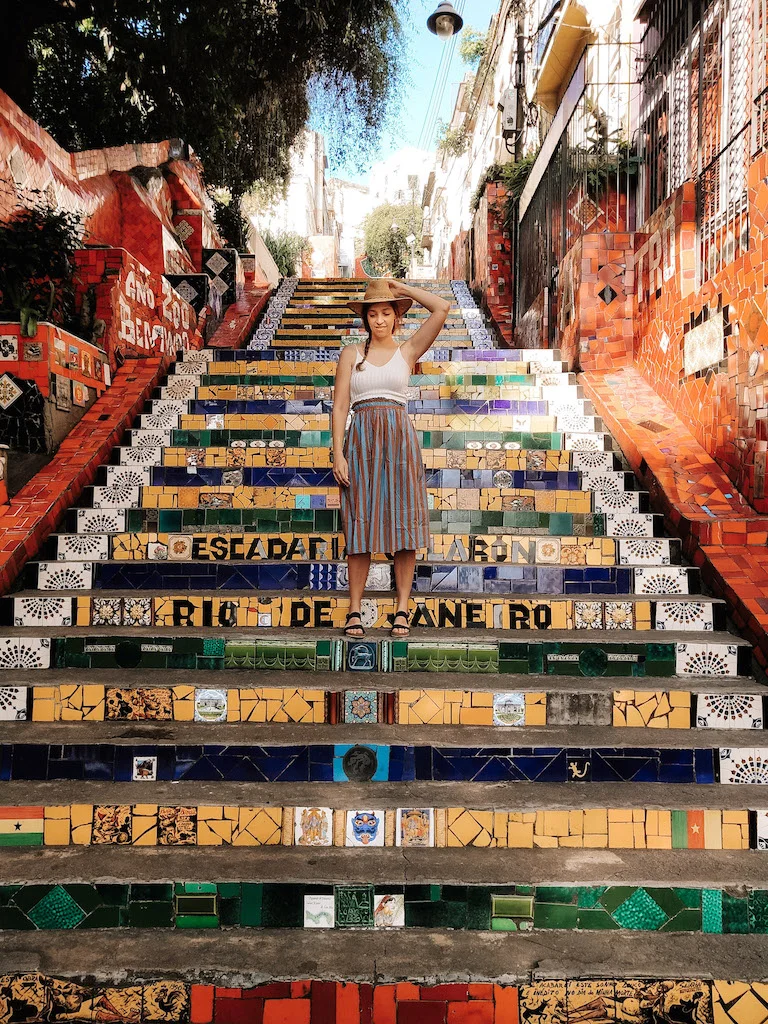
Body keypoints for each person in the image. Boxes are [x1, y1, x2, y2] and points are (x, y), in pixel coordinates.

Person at [332, 278, 450, 638]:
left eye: (386, 312)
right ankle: (354, 610)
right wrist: (337, 453)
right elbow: (339, 407)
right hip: (361, 440)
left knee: (404, 525)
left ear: (396, 317)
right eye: (373, 314)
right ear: (365, 319)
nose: (380, 320)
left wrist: (405, 290)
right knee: (360, 523)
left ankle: (401, 609)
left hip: (400, 442)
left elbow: (442, 308)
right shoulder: (352, 354)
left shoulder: (408, 350)